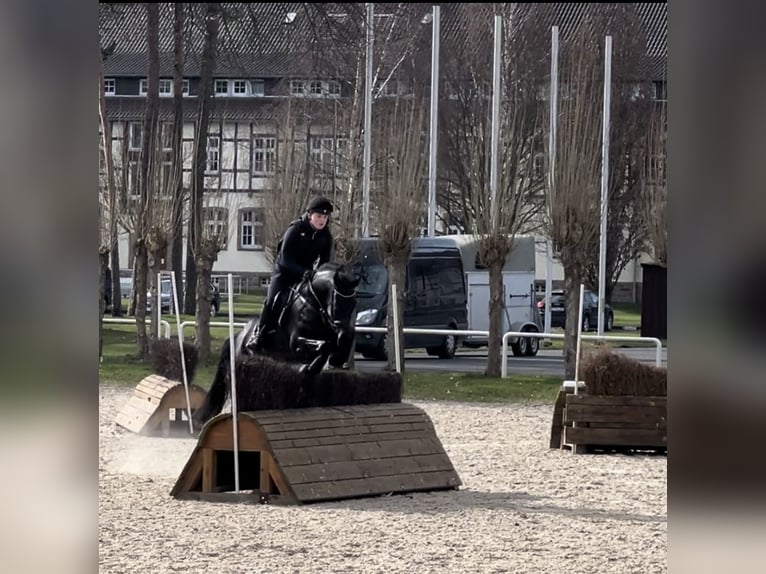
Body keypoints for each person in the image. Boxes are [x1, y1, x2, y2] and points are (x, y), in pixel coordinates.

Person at [245, 196, 334, 353]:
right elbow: (285, 259)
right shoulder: (295, 230)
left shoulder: (326, 236)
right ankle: (258, 334)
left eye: (325, 217)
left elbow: (325, 261)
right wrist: (304, 272)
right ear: (309, 214)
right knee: (273, 300)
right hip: (284, 272)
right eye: (319, 216)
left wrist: (319, 276)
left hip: (306, 275)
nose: (322, 220)